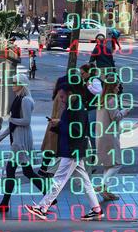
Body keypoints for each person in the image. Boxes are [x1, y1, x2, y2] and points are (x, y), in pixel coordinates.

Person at [25, 85, 103, 221]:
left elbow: (76, 131)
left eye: (62, 96)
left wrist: (59, 124)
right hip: (75, 150)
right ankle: (96, 209)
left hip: (72, 150)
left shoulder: (76, 108)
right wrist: (60, 123)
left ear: (70, 94)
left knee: (59, 179)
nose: (61, 99)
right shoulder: (76, 105)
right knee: (85, 181)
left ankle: (42, 207)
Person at [0, 74, 46, 213]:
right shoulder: (19, 99)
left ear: (22, 84)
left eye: (15, 82)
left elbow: (26, 121)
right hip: (17, 138)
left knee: (13, 171)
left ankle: (4, 204)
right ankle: (50, 195)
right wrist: (0, 138)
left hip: (21, 140)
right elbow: (13, 123)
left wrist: (12, 120)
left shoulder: (25, 100)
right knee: (27, 171)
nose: (13, 84)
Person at [96, 79, 131, 202]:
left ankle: (106, 190)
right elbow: (115, 116)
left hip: (102, 134)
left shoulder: (101, 99)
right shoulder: (111, 100)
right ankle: (103, 186)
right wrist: (124, 112)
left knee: (108, 163)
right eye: (117, 86)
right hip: (110, 135)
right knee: (117, 163)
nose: (119, 88)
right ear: (112, 87)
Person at [38, 75, 69, 178]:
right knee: (54, 149)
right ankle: (46, 171)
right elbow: (61, 111)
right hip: (56, 125)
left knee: (51, 148)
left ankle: (44, 169)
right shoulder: (61, 96)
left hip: (53, 124)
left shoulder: (57, 94)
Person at [79, 63, 103, 161]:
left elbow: (100, 92)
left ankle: (94, 153)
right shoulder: (87, 80)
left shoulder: (94, 80)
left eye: (82, 73)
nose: (81, 75)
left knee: (91, 132)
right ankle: (91, 152)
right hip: (88, 108)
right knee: (88, 132)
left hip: (93, 108)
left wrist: (89, 87)